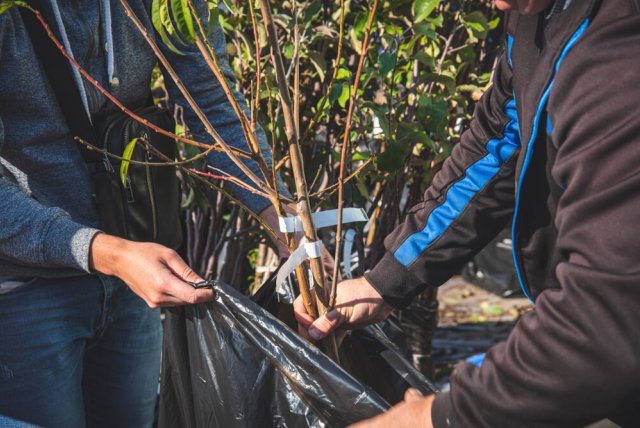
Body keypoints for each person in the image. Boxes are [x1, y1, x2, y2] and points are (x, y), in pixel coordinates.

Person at [295, 0, 640, 426]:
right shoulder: (535, 13)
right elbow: (501, 141)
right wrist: (383, 282)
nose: (496, 4)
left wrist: (435, 417)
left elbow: (604, 319)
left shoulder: (620, 55)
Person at [0, 1, 291, 427]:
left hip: (133, 273)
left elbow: (213, 100)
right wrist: (110, 253)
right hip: (29, 288)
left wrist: (284, 222)